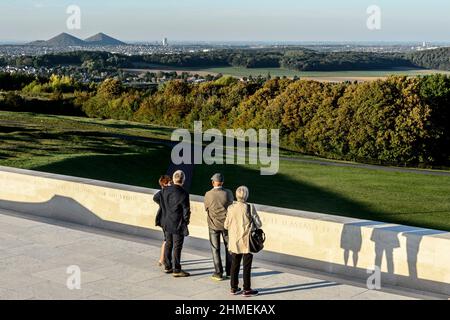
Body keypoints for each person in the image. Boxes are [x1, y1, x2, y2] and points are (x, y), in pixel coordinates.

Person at [224, 186, 262, 297]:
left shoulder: (231, 208)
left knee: (234, 265)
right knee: (246, 266)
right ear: (246, 195)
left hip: (235, 241)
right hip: (246, 242)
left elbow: (226, 225)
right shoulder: (250, 207)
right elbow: (259, 224)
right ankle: (246, 289)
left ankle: (233, 287)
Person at [154, 170, 191, 277]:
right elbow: (186, 211)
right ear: (183, 180)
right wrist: (186, 222)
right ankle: (176, 269)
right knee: (177, 246)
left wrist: (164, 207)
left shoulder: (165, 190)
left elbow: (156, 197)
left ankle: (168, 266)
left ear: (173, 179)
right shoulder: (183, 193)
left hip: (166, 222)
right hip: (177, 224)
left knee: (169, 243)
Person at [204, 173, 234, 281]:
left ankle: (218, 272)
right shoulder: (228, 193)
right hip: (226, 225)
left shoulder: (208, 194)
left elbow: (206, 208)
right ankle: (230, 272)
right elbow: (231, 208)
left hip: (213, 225)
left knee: (215, 249)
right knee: (229, 248)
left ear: (213, 182)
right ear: (222, 182)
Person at [153, 175, 172, 267]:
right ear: (165, 183)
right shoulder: (162, 193)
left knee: (166, 239)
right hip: (166, 220)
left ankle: (163, 258)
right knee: (167, 240)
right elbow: (155, 197)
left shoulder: (161, 193)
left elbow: (155, 198)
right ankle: (162, 259)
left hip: (163, 219)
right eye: (169, 182)